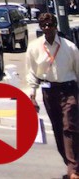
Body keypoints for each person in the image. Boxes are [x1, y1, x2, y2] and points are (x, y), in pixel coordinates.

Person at [27, 11, 79, 179]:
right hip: (49, 92)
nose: (47, 28)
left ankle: (73, 170)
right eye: (44, 26)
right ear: (41, 28)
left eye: (50, 25)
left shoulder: (69, 47)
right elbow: (31, 73)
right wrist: (32, 95)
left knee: (69, 126)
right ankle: (71, 162)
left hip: (69, 90)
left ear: (56, 27)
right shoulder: (34, 47)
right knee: (58, 129)